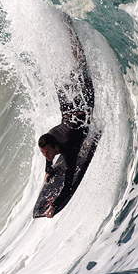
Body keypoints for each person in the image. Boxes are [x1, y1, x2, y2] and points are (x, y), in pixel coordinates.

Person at [37, 20, 95, 218]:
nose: (45, 156)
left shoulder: (69, 149)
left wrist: (55, 205)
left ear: (55, 148)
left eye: (47, 153)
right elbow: (48, 151)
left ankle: (69, 30)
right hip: (69, 111)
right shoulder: (51, 137)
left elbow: (68, 183)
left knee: (78, 64)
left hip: (82, 106)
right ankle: (62, 28)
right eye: (43, 153)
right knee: (61, 76)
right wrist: (48, 169)